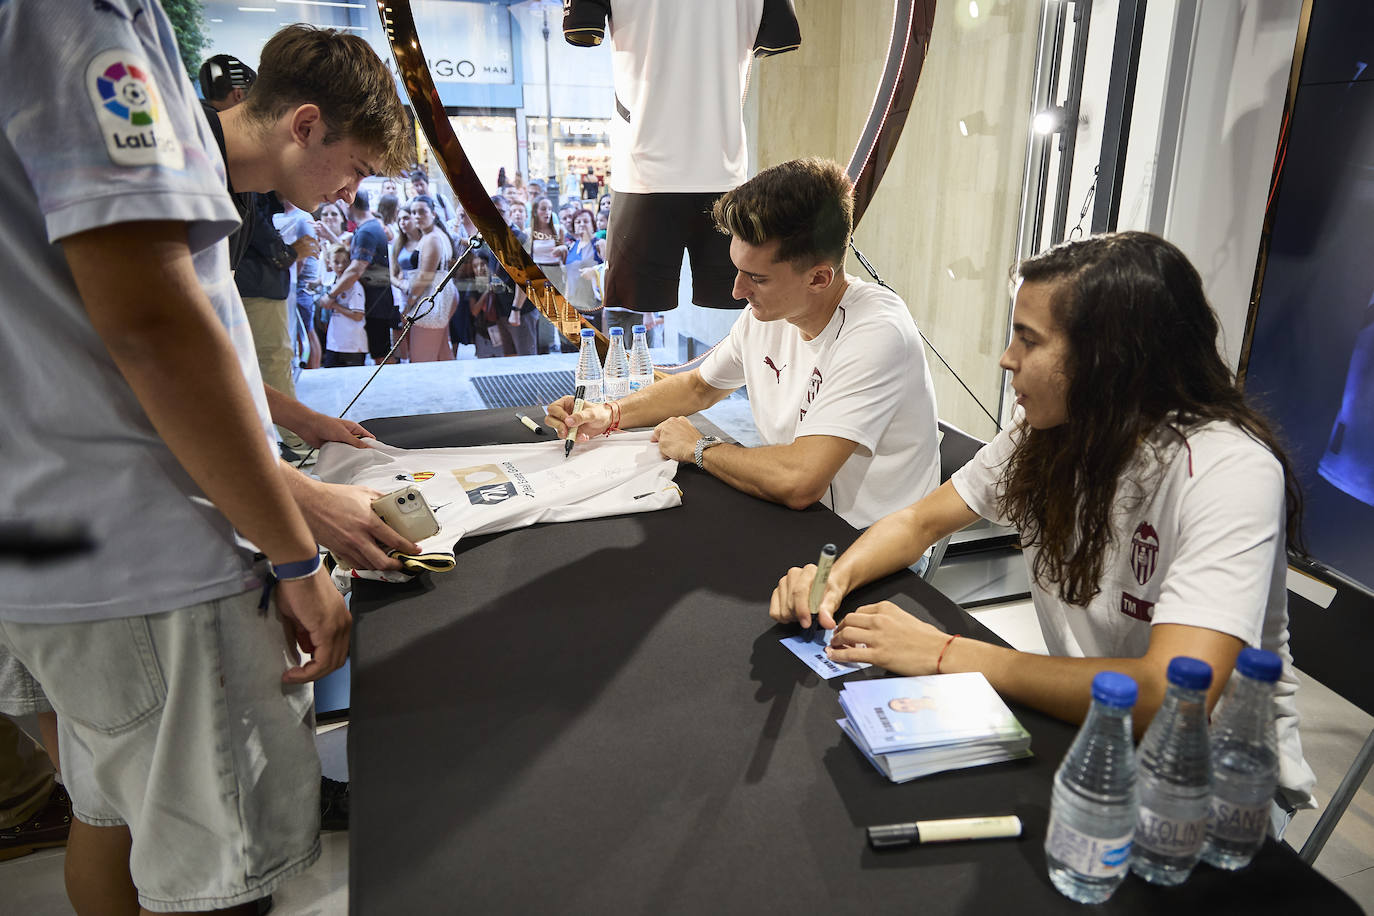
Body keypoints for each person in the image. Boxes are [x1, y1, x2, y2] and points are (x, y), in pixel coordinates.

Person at [0, 5, 367, 911]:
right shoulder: (81, 19)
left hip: (54, 533)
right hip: (148, 548)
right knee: (218, 880)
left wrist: (289, 426)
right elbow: (155, 328)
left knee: (111, 814)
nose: (350, 193)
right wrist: (295, 550)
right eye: (354, 169)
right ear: (305, 125)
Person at [770, 232, 1318, 822]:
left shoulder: (1227, 471)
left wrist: (948, 652)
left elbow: (1171, 694)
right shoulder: (1051, 433)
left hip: (1211, 793)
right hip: (1087, 740)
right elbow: (919, 520)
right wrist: (837, 577)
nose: (1007, 359)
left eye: (1029, 340)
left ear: (1110, 357)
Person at [547, 158, 940, 529]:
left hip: (873, 545)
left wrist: (699, 448)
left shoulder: (877, 333)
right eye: (737, 270)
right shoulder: (768, 315)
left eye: (758, 278)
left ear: (819, 278)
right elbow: (699, 387)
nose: (738, 291)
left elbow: (801, 482)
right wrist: (606, 414)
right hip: (799, 523)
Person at [329, 191, 396, 364]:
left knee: (381, 355)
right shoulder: (367, 229)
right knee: (379, 353)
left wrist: (330, 296)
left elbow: (356, 269)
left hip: (376, 303)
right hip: (373, 301)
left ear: (348, 204)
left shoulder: (368, 231)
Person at [405, 195, 457, 362]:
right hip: (440, 296)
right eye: (413, 212)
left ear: (433, 214)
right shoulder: (434, 235)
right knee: (441, 353)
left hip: (432, 299)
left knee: (421, 360)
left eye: (422, 212)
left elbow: (425, 276)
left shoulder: (433, 237)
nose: (417, 216)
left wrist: (410, 302)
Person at [320, 245, 369, 368]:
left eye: (345, 262)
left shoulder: (354, 286)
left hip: (352, 345)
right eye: (336, 262)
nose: (341, 266)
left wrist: (335, 305)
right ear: (329, 263)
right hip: (334, 343)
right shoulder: (332, 283)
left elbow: (357, 315)